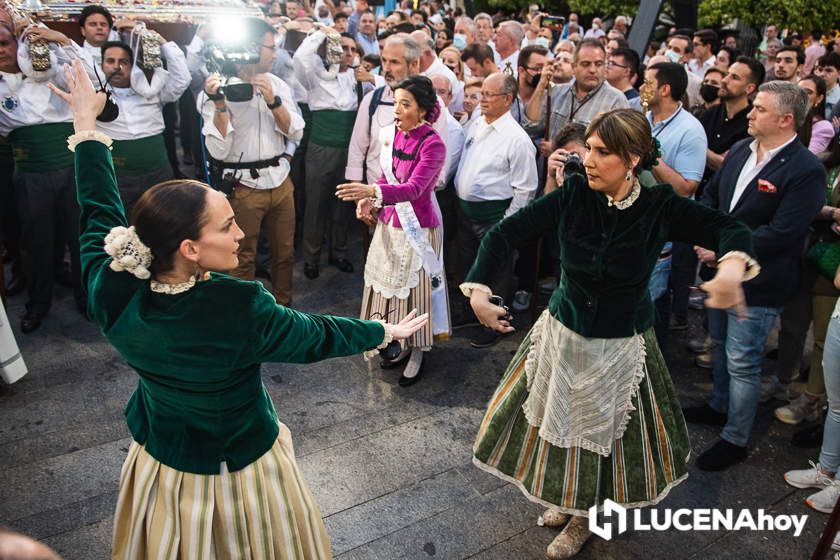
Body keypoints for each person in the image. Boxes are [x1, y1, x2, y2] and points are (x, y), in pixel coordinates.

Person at [52, 58, 428, 559]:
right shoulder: (236, 305)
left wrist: (85, 126)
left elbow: (98, 209)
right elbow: (314, 335)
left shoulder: (112, 285)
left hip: (162, 457)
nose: (238, 234)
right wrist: (382, 330)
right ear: (189, 248)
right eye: (227, 225)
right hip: (240, 463)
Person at [462, 108, 757, 559]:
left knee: (602, 437)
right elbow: (506, 233)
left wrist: (733, 265)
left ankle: (585, 517)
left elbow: (729, 227)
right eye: (590, 150)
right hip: (564, 333)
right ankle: (567, 499)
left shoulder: (660, 207)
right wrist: (479, 291)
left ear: (634, 158)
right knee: (557, 424)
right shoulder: (574, 194)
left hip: (620, 345)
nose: (589, 160)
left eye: (602, 152)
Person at [685, 81, 827, 471]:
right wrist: (706, 237)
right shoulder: (740, 151)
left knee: (743, 360)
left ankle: (736, 437)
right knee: (719, 343)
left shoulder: (806, 170)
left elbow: (783, 232)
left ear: (785, 119)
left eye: (759, 109)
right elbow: (712, 195)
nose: (749, 113)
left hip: (759, 283)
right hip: (717, 267)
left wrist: (723, 249)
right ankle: (719, 406)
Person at [336, 75, 448, 385]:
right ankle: (396, 341)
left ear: (423, 110)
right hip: (391, 224)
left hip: (419, 229)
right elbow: (389, 178)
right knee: (391, 289)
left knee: (415, 292)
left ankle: (418, 351)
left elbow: (413, 189)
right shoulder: (393, 135)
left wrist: (371, 193)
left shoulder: (433, 143)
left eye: (405, 104)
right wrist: (371, 202)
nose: (396, 110)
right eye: (395, 102)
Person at [198, 18, 303, 306]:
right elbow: (218, 151)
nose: (275, 54)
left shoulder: (278, 84)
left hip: (281, 181)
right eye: (271, 47)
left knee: (285, 254)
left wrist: (274, 101)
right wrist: (219, 105)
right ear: (252, 48)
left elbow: (296, 131)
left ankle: (284, 312)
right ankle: (244, 316)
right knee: (240, 256)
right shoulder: (218, 88)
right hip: (243, 187)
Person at [454, 73, 538, 348]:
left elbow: (525, 189)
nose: (483, 99)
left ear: (508, 99)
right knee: (468, 267)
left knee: (496, 274)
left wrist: (506, 226)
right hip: (466, 213)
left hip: (494, 218)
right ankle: (470, 312)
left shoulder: (517, 139)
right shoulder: (477, 123)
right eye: (482, 94)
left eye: (489, 95)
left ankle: (496, 324)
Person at [95, 38, 190, 216]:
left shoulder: (152, 91)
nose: (117, 67)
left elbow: (182, 80)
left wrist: (163, 43)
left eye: (123, 62)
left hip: (159, 174)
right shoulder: (94, 96)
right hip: (117, 179)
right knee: (121, 229)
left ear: (133, 67)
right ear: (101, 65)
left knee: (162, 222)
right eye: (110, 61)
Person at [293, 26, 360, 279]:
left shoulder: (359, 78)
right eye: (343, 47)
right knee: (316, 204)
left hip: (350, 150)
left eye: (353, 49)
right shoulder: (316, 76)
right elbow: (300, 58)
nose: (347, 53)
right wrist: (322, 33)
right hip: (321, 147)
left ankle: (339, 252)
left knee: (342, 205)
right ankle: (311, 257)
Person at [524, 39, 628, 158]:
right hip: (548, 173)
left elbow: (616, 150)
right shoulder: (557, 92)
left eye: (599, 64)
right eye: (586, 64)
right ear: (574, 67)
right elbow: (529, 127)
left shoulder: (616, 101)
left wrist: (557, 149)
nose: (593, 70)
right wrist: (542, 84)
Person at [798, 74, 835, 154]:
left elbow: (806, 157)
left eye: (808, 92)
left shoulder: (824, 128)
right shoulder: (785, 118)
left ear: (819, 98)